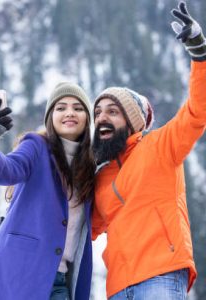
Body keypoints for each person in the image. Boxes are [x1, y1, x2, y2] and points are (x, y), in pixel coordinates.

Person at [91, 2, 205, 299]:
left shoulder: (159, 146)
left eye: (113, 111)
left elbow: (196, 113)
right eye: (98, 112)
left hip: (161, 274)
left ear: (132, 122)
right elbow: (77, 226)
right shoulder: (100, 178)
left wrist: (200, 55)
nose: (102, 117)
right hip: (117, 287)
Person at [0, 82, 96, 299]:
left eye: (78, 108)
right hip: (20, 273)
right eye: (61, 108)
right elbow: (6, 170)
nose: (70, 113)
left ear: (87, 118)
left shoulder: (90, 166)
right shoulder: (36, 146)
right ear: (50, 117)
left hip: (61, 279)